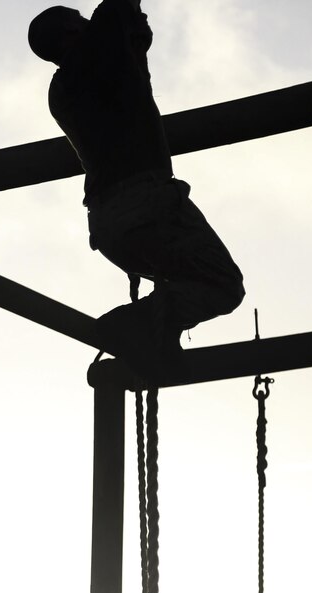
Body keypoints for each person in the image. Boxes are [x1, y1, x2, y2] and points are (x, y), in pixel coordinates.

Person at [28, 0, 245, 382]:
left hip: (109, 224)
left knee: (182, 281)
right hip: (148, 203)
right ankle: (134, 323)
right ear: (70, 32)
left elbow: (125, 61)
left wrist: (134, 35)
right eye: (79, 19)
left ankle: (157, 334)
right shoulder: (97, 48)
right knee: (224, 284)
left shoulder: (62, 90)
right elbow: (116, 13)